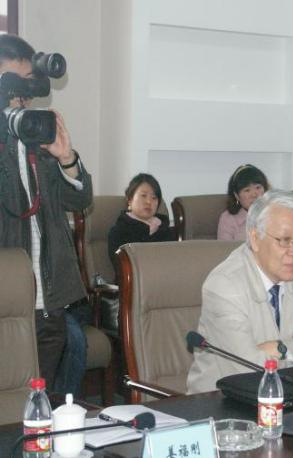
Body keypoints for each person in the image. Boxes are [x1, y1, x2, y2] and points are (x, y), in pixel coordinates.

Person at [0, 34, 93, 394]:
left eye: (28, 83)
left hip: (49, 301)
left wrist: (66, 158)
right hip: (8, 300)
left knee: (42, 403)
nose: (21, 95)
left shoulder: (39, 133)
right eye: (12, 84)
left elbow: (80, 199)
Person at [187, 190, 293, 393]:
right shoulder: (225, 286)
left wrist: (282, 348)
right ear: (255, 239)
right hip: (221, 404)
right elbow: (249, 375)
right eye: (284, 240)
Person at [108, 173, 176, 269]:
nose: (148, 202)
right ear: (130, 200)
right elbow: (121, 267)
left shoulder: (167, 232)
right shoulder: (118, 232)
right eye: (143, 196)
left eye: (154, 198)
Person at [217, 164, 269, 241]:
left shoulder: (275, 212)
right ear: (236, 196)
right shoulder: (228, 219)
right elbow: (223, 248)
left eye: (258, 187)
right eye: (247, 190)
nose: (254, 194)